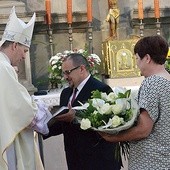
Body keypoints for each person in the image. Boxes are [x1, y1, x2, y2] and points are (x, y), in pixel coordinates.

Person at [99, 35, 170, 169]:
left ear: (147, 58)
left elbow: (143, 129)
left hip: (152, 161)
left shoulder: (152, 82)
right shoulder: (167, 79)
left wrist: (112, 137)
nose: (137, 64)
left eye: (137, 58)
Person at [44, 53, 122, 170]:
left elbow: (105, 124)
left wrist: (76, 118)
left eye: (68, 72)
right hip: (74, 158)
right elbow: (63, 124)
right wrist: (42, 127)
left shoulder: (101, 89)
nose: (65, 77)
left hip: (99, 159)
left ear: (81, 69)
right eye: (63, 73)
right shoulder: (65, 93)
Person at [0, 6, 51, 170]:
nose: (24, 56)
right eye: (24, 50)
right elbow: (22, 109)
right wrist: (41, 112)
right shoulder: (4, 68)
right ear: (14, 45)